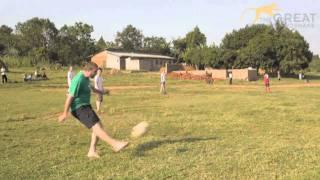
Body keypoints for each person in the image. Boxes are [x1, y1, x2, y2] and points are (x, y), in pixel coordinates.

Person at [58, 62, 128, 158]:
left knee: (99, 127)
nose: (96, 74)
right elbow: (70, 97)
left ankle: (92, 151)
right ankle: (114, 144)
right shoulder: (78, 79)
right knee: (97, 128)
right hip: (79, 108)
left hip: (86, 106)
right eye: (95, 72)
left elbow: (92, 89)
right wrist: (64, 113)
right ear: (89, 70)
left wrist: (103, 92)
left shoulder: (86, 78)